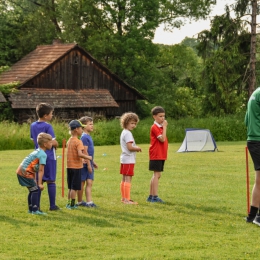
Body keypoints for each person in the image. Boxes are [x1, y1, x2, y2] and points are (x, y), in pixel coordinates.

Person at [30, 103, 60, 211]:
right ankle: (52, 205)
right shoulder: (48, 126)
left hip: (37, 155)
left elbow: (34, 140)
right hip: (50, 157)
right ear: (46, 115)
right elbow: (52, 142)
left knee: (39, 181)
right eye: (51, 113)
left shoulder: (32, 125)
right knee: (51, 180)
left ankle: (36, 206)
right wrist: (56, 143)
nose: (52, 115)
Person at [16, 133, 53, 215]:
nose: (52, 143)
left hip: (21, 170)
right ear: (45, 144)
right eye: (50, 142)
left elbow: (35, 168)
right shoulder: (43, 154)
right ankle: (35, 210)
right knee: (36, 189)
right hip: (25, 172)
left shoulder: (37, 151)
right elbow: (40, 170)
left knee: (32, 190)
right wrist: (40, 183)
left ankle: (31, 209)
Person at [66, 120, 92, 209]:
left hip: (69, 167)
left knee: (70, 187)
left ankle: (69, 203)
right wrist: (88, 157)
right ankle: (72, 205)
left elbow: (73, 154)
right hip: (76, 167)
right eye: (81, 128)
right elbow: (80, 154)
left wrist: (81, 160)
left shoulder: (69, 141)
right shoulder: (78, 141)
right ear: (76, 129)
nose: (82, 129)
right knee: (75, 187)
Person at [245, 87, 260, 225]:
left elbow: (246, 120)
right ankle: (257, 217)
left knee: (259, 179)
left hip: (254, 139)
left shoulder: (256, 93)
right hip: (258, 140)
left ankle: (253, 216)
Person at [147, 106, 168, 203]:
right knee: (156, 174)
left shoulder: (159, 127)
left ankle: (151, 196)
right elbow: (162, 139)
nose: (163, 118)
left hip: (161, 154)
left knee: (157, 174)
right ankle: (154, 197)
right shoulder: (155, 127)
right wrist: (164, 127)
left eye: (163, 116)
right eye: (160, 116)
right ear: (154, 117)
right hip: (156, 154)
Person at [120, 112, 142, 204]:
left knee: (124, 178)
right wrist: (137, 148)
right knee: (128, 178)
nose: (134, 125)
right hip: (129, 159)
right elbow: (130, 147)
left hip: (124, 158)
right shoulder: (128, 133)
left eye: (135, 123)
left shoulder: (124, 132)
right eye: (132, 123)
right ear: (126, 122)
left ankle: (123, 198)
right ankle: (127, 199)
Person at [77, 116, 98, 207]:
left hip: (89, 163)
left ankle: (89, 202)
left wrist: (93, 162)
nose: (92, 126)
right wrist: (89, 165)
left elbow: (89, 152)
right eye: (90, 124)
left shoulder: (88, 136)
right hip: (85, 164)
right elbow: (84, 151)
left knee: (89, 182)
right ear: (84, 126)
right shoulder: (84, 137)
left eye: (92, 124)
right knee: (82, 182)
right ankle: (80, 201)